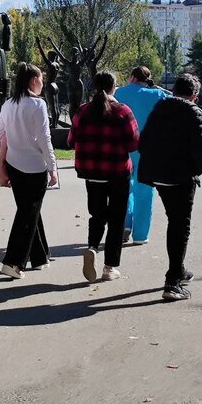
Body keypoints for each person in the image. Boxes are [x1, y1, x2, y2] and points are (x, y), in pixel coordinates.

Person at [137, 74, 202, 301]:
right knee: (179, 226)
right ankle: (173, 281)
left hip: (157, 175)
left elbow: (143, 141)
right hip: (181, 177)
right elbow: (199, 150)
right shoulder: (194, 112)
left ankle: (179, 268)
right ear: (194, 95)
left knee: (174, 222)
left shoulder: (160, 107)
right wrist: (195, 171)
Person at [68, 72, 139, 283]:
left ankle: (92, 247)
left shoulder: (82, 111)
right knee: (117, 219)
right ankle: (110, 267)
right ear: (113, 87)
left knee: (97, 214)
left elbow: (71, 141)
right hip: (118, 171)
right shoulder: (123, 111)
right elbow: (134, 143)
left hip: (91, 172)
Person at [0, 63, 57, 279]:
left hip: (14, 164)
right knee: (28, 214)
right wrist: (52, 167)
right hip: (35, 166)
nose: (43, 82)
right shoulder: (38, 104)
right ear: (33, 80)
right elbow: (45, 139)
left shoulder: (8, 104)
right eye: (41, 78)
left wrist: (15, 134)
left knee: (28, 210)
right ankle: (13, 261)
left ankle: (39, 257)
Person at [114, 66, 170, 244]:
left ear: (132, 77)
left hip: (123, 148)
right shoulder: (157, 95)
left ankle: (124, 224)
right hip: (147, 150)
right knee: (144, 192)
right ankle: (140, 235)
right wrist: (158, 88)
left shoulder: (119, 93)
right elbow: (177, 98)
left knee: (124, 188)